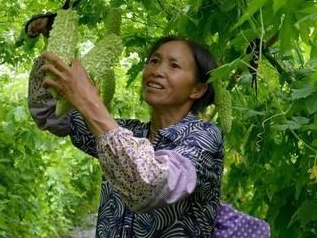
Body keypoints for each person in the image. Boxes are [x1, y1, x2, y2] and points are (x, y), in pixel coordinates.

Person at [29, 35, 226, 237]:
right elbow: (51, 113)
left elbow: (149, 186)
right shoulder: (129, 132)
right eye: (154, 61)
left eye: (174, 65)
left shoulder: (205, 137)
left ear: (197, 89)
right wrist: (54, 49)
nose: (157, 71)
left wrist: (88, 101)